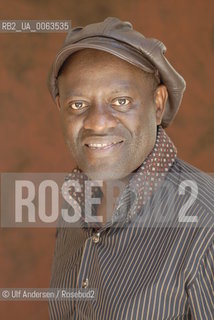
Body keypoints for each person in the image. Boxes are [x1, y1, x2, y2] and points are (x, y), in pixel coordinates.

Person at [47, 17, 214, 319]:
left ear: (158, 103)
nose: (97, 122)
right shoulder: (75, 202)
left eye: (121, 101)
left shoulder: (206, 226)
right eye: (78, 105)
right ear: (60, 108)